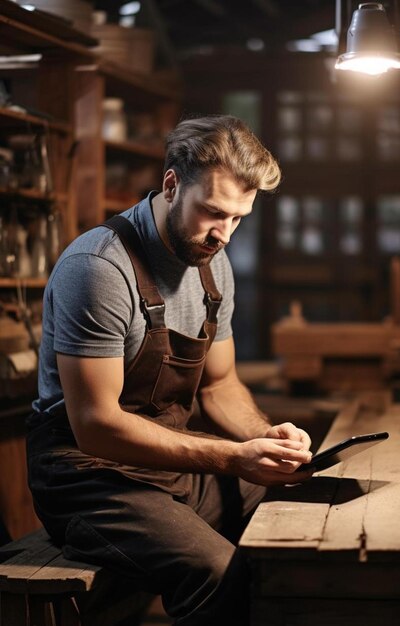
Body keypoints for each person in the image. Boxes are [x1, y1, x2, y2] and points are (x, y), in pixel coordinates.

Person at [26, 115, 313, 625]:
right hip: (90, 483)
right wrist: (232, 458)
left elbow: (221, 385)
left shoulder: (212, 261)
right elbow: (96, 426)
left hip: (168, 471)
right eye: (212, 212)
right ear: (171, 184)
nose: (223, 234)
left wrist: (265, 438)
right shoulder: (99, 268)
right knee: (218, 572)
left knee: (301, 497)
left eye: (239, 218)